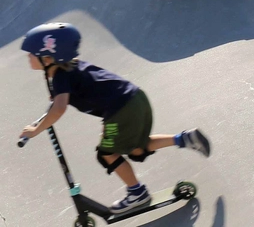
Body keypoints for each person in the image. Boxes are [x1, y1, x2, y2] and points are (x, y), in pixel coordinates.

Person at [19, 23, 211, 214]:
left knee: (106, 153)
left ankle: (137, 193)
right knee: (137, 148)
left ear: (48, 57)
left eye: (31, 54)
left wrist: (36, 130)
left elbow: (59, 109)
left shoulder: (61, 77)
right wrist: (60, 99)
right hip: (136, 100)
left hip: (120, 111)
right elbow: (82, 92)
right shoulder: (73, 67)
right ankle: (184, 138)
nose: (28, 57)